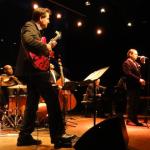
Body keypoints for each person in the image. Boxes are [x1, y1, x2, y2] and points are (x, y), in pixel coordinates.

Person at [15, 7, 75, 148]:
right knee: (53, 100)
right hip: (34, 72)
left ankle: (24, 136)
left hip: (31, 72)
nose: (48, 21)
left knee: (31, 104)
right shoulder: (29, 26)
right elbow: (28, 41)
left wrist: (48, 47)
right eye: (47, 18)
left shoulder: (37, 31)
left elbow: (35, 47)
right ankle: (58, 137)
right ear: (41, 18)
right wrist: (45, 48)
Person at [122, 48, 146, 126]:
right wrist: (139, 79)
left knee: (135, 103)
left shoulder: (135, 63)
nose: (137, 55)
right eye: (135, 54)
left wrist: (142, 63)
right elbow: (128, 73)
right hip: (131, 86)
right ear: (130, 54)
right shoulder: (126, 63)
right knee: (131, 103)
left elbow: (139, 73)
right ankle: (129, 120)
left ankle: (134, 119)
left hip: (136, 86)